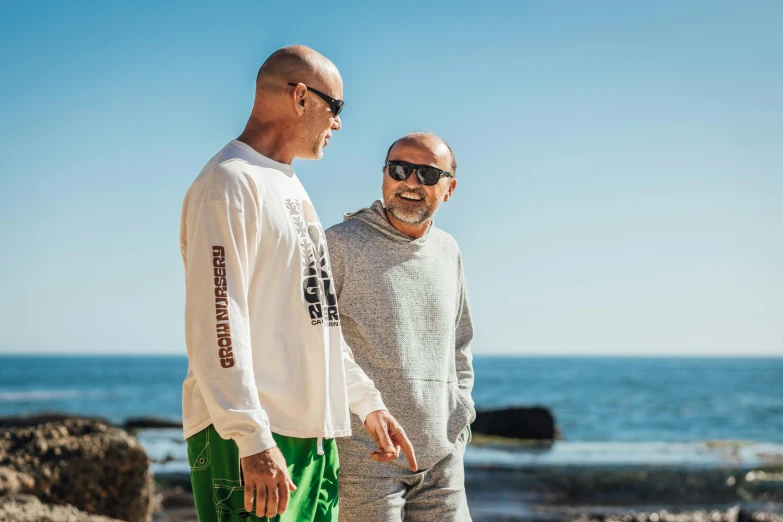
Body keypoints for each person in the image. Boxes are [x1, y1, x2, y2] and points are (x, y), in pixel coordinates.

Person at [179, 46, 416, 522]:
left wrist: (367, 404)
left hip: (311, 439)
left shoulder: (287, 185)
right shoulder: (229, 182)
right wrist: (252, 437)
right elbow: (218, 318)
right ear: (301, 96)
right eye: (337, 107)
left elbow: (317, 316)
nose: (340, 123)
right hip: (255, 439)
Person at [325, 132, 475, 521]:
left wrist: (461, 419)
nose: (410, 182)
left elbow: (460, 343)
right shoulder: (338, 245)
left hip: (442, 461)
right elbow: (312, 343)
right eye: (400, 169)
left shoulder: (448, 250)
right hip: (364, 461)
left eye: (427, 174)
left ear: (449, 188)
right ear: (384, 176)